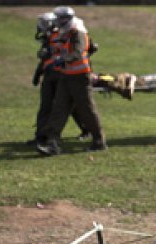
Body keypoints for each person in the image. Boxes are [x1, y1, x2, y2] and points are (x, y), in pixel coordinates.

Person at [36, 6, 107, 155]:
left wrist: (64, 60)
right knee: (58, 110)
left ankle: (99, 141)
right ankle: (52, 143)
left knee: (87, 110)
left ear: (65, 19)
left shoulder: (78, 32)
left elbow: (78, 52)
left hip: (80, 78)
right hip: (66, 76)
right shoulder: (67, 31)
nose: (56, 21)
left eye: (58, 18)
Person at [29, 12, 90, 145]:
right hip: (50, 75)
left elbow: (78, 50)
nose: (41, 26)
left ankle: (85, 129)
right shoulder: (49, 37)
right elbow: (46, 58)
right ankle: (41, 136)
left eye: (44, 23)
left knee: (66, 107)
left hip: (62, 75)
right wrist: (38, 73)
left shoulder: (64, 35)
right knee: (46, 106)